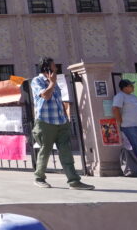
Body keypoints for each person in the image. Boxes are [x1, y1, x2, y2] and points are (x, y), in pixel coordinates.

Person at [30, 56, 94, 189]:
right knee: (45, 150)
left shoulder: (55, 82)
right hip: (45, 122)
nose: (57, 68)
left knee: (66, 151)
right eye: (54, 66)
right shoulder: (37, 81)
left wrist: (65, 118)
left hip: (61, 122)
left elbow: (59, 102)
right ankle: (39, 177)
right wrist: (52, 83)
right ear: (47, 68)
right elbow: (46, 96)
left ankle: (74, 181)